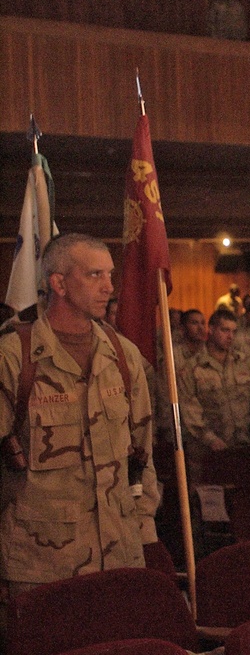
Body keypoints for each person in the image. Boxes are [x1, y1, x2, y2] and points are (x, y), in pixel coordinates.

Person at [0, 234, 158, 611]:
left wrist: (145, 532)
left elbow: (142, 453)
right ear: (58, 283)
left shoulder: (122, 354)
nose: (109, 287)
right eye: (94, 275)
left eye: (110, 275)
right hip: (41, 563)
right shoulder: (15, 356)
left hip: (119, 553)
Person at [178, 309, 250, 475]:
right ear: (212, 329)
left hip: (243, 446)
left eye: (234, 331)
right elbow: (189, 408)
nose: (230, 336)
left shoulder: (245, 363)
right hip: (207, 450)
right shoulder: (193, 367)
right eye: (225, 330)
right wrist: (210, 438)